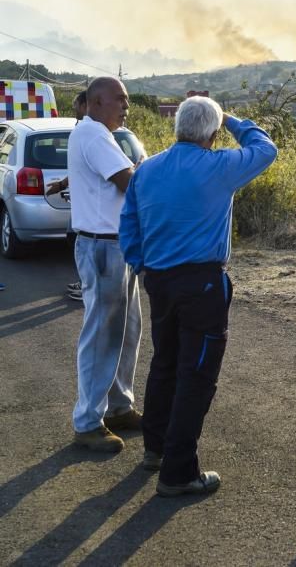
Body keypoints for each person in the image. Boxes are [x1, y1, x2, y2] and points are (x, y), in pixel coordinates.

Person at [120, 96, 278, 496]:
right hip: (202, 284)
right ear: (211, 132)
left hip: (158, 280)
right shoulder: (219, 166)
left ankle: (155, 450)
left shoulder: (147, 169)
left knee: (166, 363)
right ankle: (178, 472)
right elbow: (266, 149)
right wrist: (234, 120)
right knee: (198, 375)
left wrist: (141, 264)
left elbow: (129, 225)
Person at [68, 77, 142, 452]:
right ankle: (87, 423)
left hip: (115, 246)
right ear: (97, 102)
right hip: (104, 247)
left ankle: (118, 407)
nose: (126, 106)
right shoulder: (95, 135)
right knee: (103, 335)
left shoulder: (95, 133)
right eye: (121, 100)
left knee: (126, 331)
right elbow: (128, 180)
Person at [46, 90, 88, 301]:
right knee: (74, 238)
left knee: (80, 240)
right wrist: (62, 183)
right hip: (79, 201)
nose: (74, 110)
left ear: (85, 105)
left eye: (75, 105)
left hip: (87, 204)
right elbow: (77, 168)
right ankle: (84, 282)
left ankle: (86, 285)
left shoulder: (89, 132)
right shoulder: (82, 129)